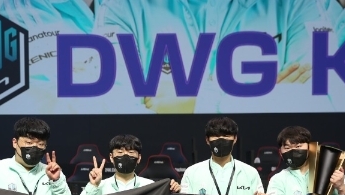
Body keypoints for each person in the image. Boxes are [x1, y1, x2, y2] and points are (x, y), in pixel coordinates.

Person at [95, 0, 319, 114]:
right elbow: (111, 109)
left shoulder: (299, 4)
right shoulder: (122, 7)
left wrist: (195, 101)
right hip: (163, 166)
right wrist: (264, 96)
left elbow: (320, 100)